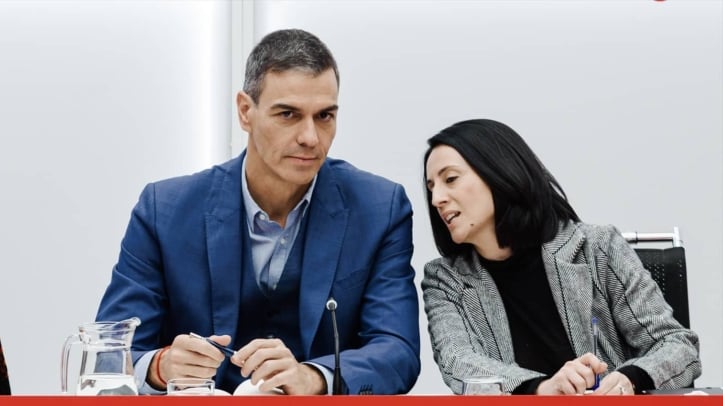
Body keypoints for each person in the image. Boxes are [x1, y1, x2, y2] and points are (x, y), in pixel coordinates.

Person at [95, 28, 420, 395]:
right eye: (288, 114)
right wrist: (159, 366)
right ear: (245, 111)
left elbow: (398, 351)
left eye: (325, 116)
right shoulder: (163, 210)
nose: (310, 137)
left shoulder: (380, 209)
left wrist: (314, 377)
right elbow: (110, 352)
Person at [421, 118, 701, 395]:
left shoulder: (597, 247)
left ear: (499, 172)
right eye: (432, 187)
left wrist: (629, 380)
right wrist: (544, 389)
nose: (437, 200)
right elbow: (459, 362)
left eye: (451, 179)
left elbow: (677, 346)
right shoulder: (445, 280)